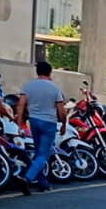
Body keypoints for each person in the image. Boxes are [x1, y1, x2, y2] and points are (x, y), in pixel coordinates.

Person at [16, 62, 67, 195]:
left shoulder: (28, 86)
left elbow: (20, 106)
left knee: (38, 152)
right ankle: (27, 178)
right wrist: (64, 125)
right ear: (50, 73)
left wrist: (19, 123)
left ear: (37, 72)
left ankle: (42, 182)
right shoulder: (54, 88)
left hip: (33, 121)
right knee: (43, 154)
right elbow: (62, 111)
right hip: (49, 122)